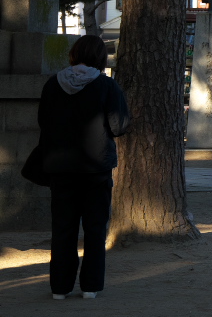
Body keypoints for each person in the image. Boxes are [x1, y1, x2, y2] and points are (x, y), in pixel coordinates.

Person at [36, 35, 130, 300]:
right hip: (96, 168)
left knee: (63, 228)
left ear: (73, 54)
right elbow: (119, 126)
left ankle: (60, 288)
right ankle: (90, 286)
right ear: (101, 58)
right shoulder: (107, 86)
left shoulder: (53, 85)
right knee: (95, 228)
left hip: (60, 167)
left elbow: (43, 121)